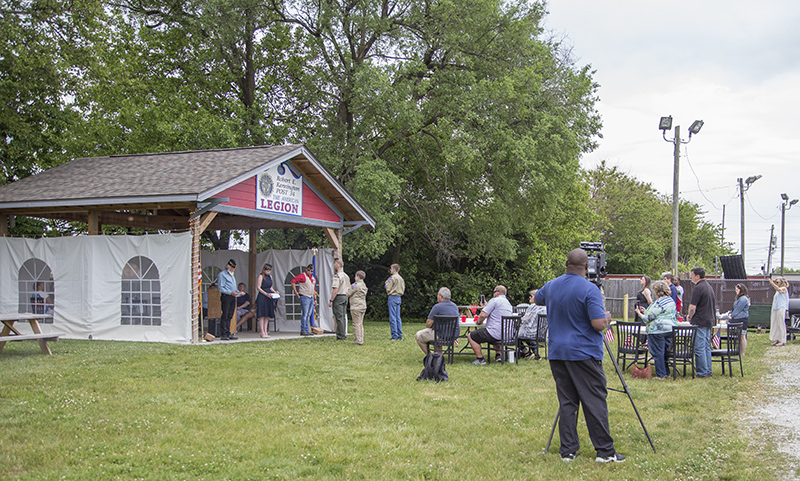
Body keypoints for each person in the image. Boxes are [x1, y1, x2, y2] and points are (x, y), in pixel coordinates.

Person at [534, 249, 624, 463]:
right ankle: (605, 451)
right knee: (594, 401)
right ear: (587, 267)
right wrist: (607, 318)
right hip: (583, 352)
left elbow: (537, 299)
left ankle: (568, 451)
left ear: (566, 263)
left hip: (557, 352)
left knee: (567, 401)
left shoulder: (551, 285)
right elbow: (598, 324)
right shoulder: (590, 289)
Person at [636, 280, 678, 380]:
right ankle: (667, 372)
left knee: (658, 352)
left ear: (657, 291)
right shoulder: (670, 301)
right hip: (670, 330)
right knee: (665, 352)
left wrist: (640, 314)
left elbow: (649, 318)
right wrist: (646, 311)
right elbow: (661, 314)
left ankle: (661, 375)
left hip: (657, 330)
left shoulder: (659, 302)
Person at [468, 285, 513, 364]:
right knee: (494, 331)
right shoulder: (508, 303)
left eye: (494, 292)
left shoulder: (494, 300)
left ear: (497, 293)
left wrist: (478, 322)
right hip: (507, 334)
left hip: (495, 334)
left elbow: (483, 315)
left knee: (471, 335)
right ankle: (498, 356)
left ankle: (480, 358)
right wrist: (486, 306)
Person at [686, 266, 715, 378]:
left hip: (700, 320)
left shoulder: (698, 288)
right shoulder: (708, 286)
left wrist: (690, 316)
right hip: (709, 320)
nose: (691, 277)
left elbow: (692, 307)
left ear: (697, 276)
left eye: (692, 275)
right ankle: (708, 370)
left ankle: (702, 372)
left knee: (699, 347)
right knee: (706, 347)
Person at [415, 287, 460, 355]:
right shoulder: (455, 306)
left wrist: (429, 328)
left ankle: (430, 356)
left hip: (440, 335)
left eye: (438, 295)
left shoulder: (437, 307)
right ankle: (439, 355)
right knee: (436, 333)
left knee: (418, 335)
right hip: (453, 335)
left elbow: (428, 323)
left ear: (441, 296)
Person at [720, 283, 750, 356]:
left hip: (742, 319)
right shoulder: (739, 298)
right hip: (737, 318)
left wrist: (731, 315)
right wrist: (730, 313)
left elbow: (738, 309)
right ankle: (738, 350)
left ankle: (742, 352)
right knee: (738, 335)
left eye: (737, 290)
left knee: (742, 335)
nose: (736, 291)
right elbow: (734, 309)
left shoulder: (743, 299)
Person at [519, 289, 546, 360]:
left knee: (513, 334)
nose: (529, 297)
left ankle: (527, 353)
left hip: (532, 332)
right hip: (541, 334)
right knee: (525, 335)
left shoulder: (532, 307)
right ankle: (536, 353)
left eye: (531, 296)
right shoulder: (545, 308)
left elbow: (526, 320)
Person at [216, 259, 239, 341]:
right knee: (225, 314)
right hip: (226, 296)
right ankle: (223, 333)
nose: (233, 270)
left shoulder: (232, 275)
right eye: (232, 268)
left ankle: (228, 332)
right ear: (228, 267)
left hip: (233, 296)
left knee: (230, 315)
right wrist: (230, 292)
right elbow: (221, 288)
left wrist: (238, 292)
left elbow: (234, 287)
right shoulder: (222, 275)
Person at [291, 264, 317, 336]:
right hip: (304, 296)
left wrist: (315, 299)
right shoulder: (302, 276)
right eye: (308, 270)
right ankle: (303, 330)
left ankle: (307, 329)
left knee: (308, 314)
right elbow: (293, 281)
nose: (310, 272)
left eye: (311, 271)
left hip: (311, 297)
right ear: (306, 270)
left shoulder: (313, 278)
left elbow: (314, 289)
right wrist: (296, 292)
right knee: (305, 314)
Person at [329, 259, 350, 341]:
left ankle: (341, 336)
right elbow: (349, 287)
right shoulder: (346, 276)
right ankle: (343, 333)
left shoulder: (337, 276)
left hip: (339, 297)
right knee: (343, 316)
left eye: (335, 264)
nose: (334, 265)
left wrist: (331, 300)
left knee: (339, 317)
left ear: (338, 265)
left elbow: (335, 289)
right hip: (345, 296)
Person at [256, 264, 278, 338]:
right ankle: (262, 331)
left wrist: (274, 292)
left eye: (269, 271)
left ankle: (265, 330)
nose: (268, 272)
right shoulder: (261, 276)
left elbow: (270, 287)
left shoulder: (270, 277)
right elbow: (258, 287)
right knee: (262, 314)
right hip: (263, 296)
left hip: (269, 296)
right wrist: (266, 294)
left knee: (267, 315)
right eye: (266, 270)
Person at [347, 271, 368, 345]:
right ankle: (360, 338)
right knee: (360, 324)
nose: (355, 278)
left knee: (356, 324)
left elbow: (348, 293)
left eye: (355, 276)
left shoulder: (355, 285)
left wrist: (349, 288)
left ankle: (358, 340)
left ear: (358, 277)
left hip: (356, 306)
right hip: (362, 306)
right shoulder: (364, 285)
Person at [385, 263, 405, 340]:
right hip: (399, 297)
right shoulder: (401, 278)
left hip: (392, 297)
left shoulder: (391, 278)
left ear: (394, 269)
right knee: (398, 317)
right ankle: (399, 335)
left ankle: (394, 335)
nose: (390, 270)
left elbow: (388, 289)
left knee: (392, 317)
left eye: (391, 268)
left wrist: (386, 284)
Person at [768, 276, 789, 347]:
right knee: (776, 324)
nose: (776, 284)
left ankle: (782, 340)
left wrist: (772, 283)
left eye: (777, 282)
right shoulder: (777, 291)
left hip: (781, 308)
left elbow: (779, 289)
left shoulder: (783, 289)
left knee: (781, 324)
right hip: (776, 308)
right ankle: (777, 338)